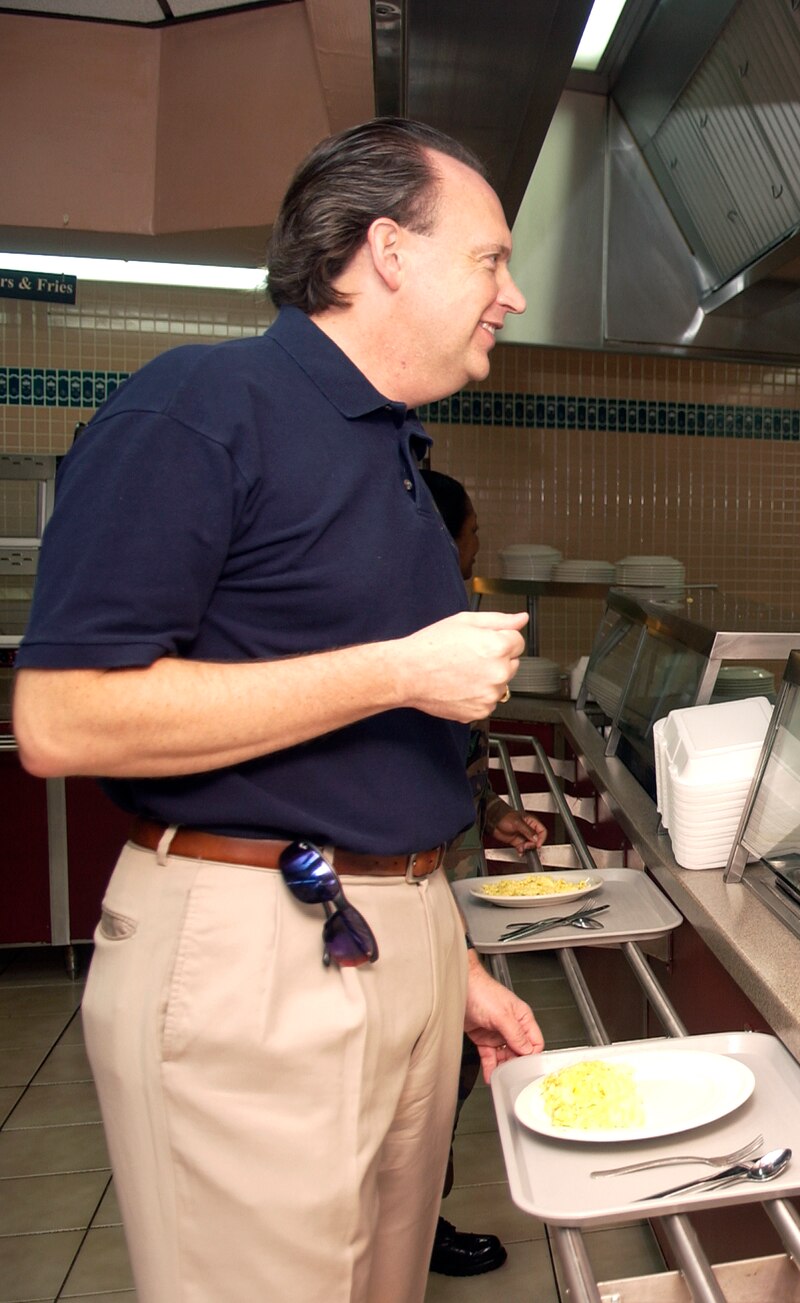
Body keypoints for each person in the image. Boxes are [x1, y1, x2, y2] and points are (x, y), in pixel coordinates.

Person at [12, 118, 544, 1303]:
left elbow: (361, 766)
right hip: (250, 940)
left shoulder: (390, 446)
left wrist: (443, 958)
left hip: (390, 928)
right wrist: (397, 669)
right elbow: (61, 717)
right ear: (387, 252)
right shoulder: (204, 401)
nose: (511, 294)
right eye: (489, 259)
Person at [420, 468, 547, 1277]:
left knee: (450, 1060)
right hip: (413, 886)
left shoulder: (444, 624)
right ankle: (417, 1225)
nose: (478, 548)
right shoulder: (414, 637)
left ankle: (419, 1217)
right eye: (471, 531)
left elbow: (448, 763)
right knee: (432, 1061)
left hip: (447, 881)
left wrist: (491, 809)